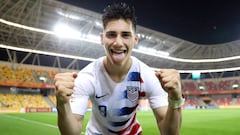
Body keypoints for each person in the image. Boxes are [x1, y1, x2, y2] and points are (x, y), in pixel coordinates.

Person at [54, 2, 184, 135]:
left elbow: (169, 132)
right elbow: (72, 132)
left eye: (125, 35)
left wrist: (175, 99)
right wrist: (62, 104)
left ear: (135, 39)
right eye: (111, 35)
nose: (118, 42)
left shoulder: (147, 75)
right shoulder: (87, 77)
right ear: (101, 39)